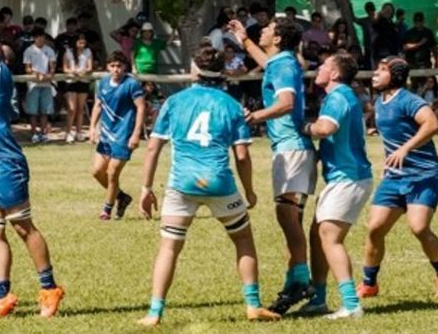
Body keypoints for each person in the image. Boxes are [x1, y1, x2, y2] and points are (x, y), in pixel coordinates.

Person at [135, 46, 280, 326]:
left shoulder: (174, 102)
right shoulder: (232, 105)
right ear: (221, 72)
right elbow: (242, 156)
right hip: (219, 183)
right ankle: (253, 305)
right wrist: (249, 191)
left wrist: (146, 188)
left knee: (169, 247)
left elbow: (153, 148)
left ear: (194, 71)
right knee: (243, 240)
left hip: (182, 183)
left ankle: (154, 312)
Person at [0, 0, 64, 320]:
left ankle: (50, 288)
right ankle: (2, 296)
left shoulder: (0, 75)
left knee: (23, 227)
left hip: (6, 162)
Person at [229, 17, 317, 314]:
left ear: (278, 38)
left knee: (286, 215)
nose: (263, 31)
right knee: (292, 217)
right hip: (294, 148)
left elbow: (287, 103)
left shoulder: (283, 65)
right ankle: (295, 282)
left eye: (267, 29)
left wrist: (254, 117)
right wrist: (244, 40)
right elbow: (268, 65)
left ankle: (301, 278)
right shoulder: (282, 62)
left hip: (291, 148)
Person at [358, 56, 438, 300]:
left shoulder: (409, 100)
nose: (375, 74)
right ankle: (369, 283)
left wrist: (405, 149)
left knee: (419, 227)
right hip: (394, 177)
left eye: (382, 70)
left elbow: (432, 124)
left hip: (424, 174)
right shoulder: (380, 101)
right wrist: (389, 158)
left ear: (396, 75)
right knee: (374, 228)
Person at [298, 52, 373, 319]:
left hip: (348, 178)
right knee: (318, 233)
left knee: (330, 237)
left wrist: (303, 128)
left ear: (335, 74)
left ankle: (351, 305)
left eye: (324, 66)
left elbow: (325, 129)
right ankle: (318, 298)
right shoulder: (341, 96)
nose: (318, 69)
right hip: (343, 177)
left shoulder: (338, 96)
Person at [88, 51, 145, 220]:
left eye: (119, 66)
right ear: (107, 67)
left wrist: (136, 133)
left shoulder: (131, 84)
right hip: (106, 135)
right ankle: (122, 197)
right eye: (112, 66)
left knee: (112, 173)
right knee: (97, 172)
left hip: (124, 135)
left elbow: (141, 107)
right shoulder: (103, 83)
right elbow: (98, 105)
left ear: (125, 67)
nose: (116, 69)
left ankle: (107, 210)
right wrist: (92, 127)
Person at [23, 29, 56, 143]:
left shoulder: (49, 50)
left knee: (45, 111)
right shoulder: (29, 50)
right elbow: (27, 68)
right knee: (33, 111)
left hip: (46, 84)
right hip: (33, 84)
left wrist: (50, 74)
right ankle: (34, 133)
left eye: (42, 37)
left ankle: (44, 133)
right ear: (34, 38)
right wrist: (37, 74)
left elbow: (52, 65)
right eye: (38, 37)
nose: (40, 39)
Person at [62, 34, 93, 143]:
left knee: (80, 109)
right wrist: (73, 72)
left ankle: (79, 132)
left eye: (83, 41)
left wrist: (84, 71)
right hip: (71, 82)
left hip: (83, 81)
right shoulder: (68, 52)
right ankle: (69, 132)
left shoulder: (88, 52)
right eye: (80, 41)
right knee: (72, 109)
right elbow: (65, 68)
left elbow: (90, 67)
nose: (82, 43)